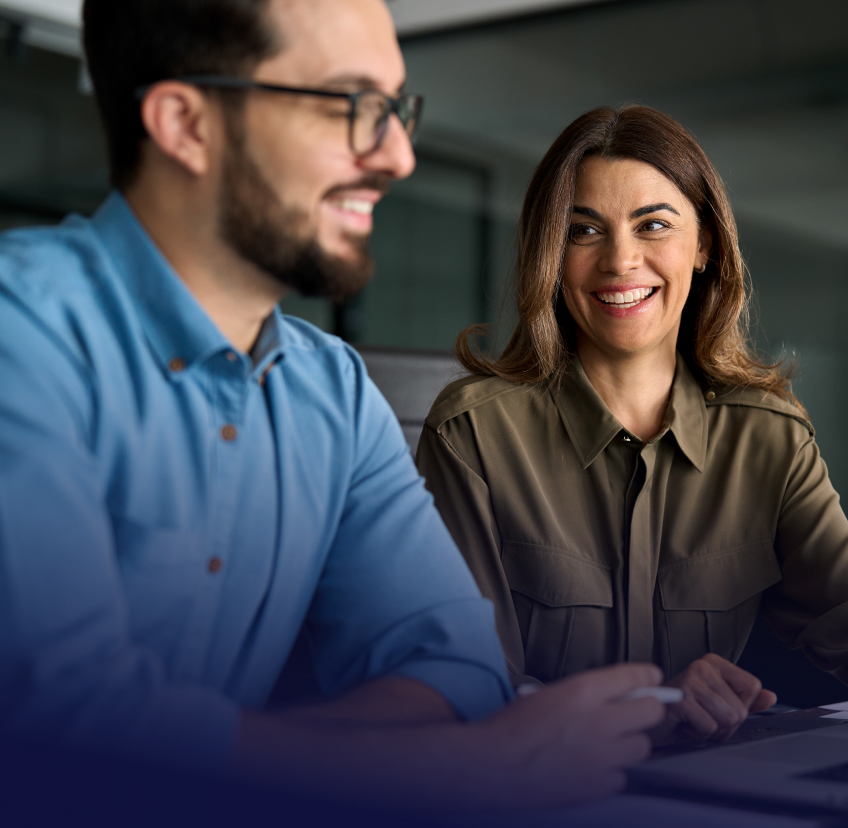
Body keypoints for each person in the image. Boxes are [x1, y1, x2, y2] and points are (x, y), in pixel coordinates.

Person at [0, 0, 665, 812]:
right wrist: (461, 769)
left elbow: (456, 667)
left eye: (395, 110)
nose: (397, 156)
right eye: (351, 106)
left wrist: (217, 758)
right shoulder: (19, 331)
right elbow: (63, 724)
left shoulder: (332, 391)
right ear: (184, 124)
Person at [416, 105, 848, 744]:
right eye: (584, 230)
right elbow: (461, 688)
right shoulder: (473, 435)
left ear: (703, 244)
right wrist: (657, 704)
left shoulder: (768, 438)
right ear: (550, 255)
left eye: (653, 225)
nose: (619, 261)